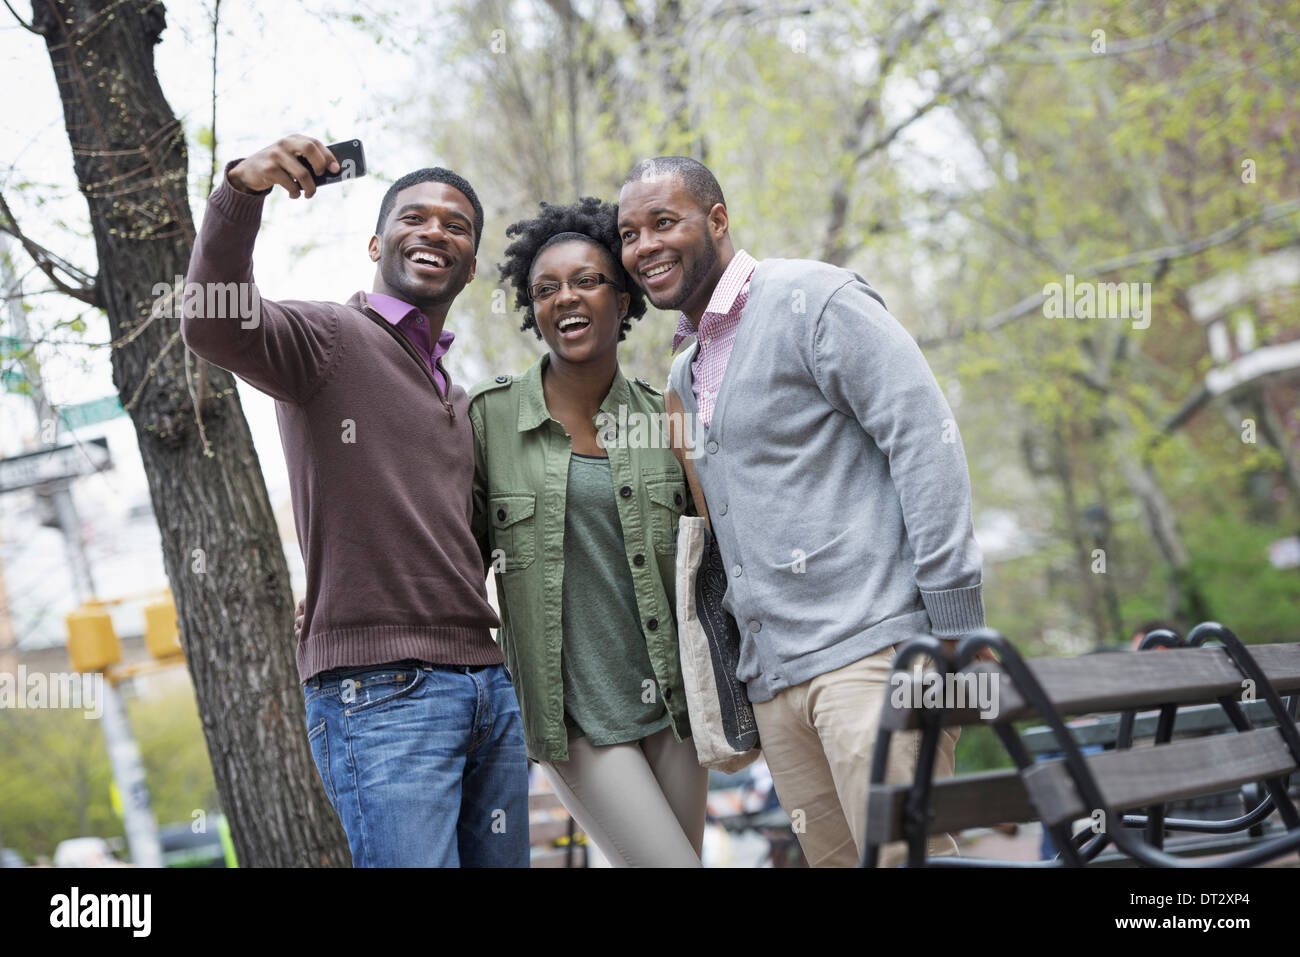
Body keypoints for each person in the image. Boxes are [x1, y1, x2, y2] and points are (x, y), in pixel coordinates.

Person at [617, 157, 987, 868]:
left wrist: (956, 624)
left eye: (665, 222)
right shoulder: (681, 377)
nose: (644, 247)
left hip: (874, 656)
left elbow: (924, 436)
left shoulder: (812, 298)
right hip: (778, 688)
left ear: (717, 220)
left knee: (909, 860)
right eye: (631, 233)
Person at [182, 134, 528, 867]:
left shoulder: (457, 397)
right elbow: (212, 323)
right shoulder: (328, 339)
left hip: (487, 687)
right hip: (382, 692)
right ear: (376, 242)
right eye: (414, 217)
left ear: (470, 264)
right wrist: (240, 191)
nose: (435, 229)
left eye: (456, 225)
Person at [468, 197, 709, 866]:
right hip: (576, 719)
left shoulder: (666, 415)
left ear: (623, 297)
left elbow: (712, 549)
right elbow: (446, 552)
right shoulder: (490, 420)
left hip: (676, 704)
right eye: (545, 288)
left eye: (585, 281)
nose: (564, 298)